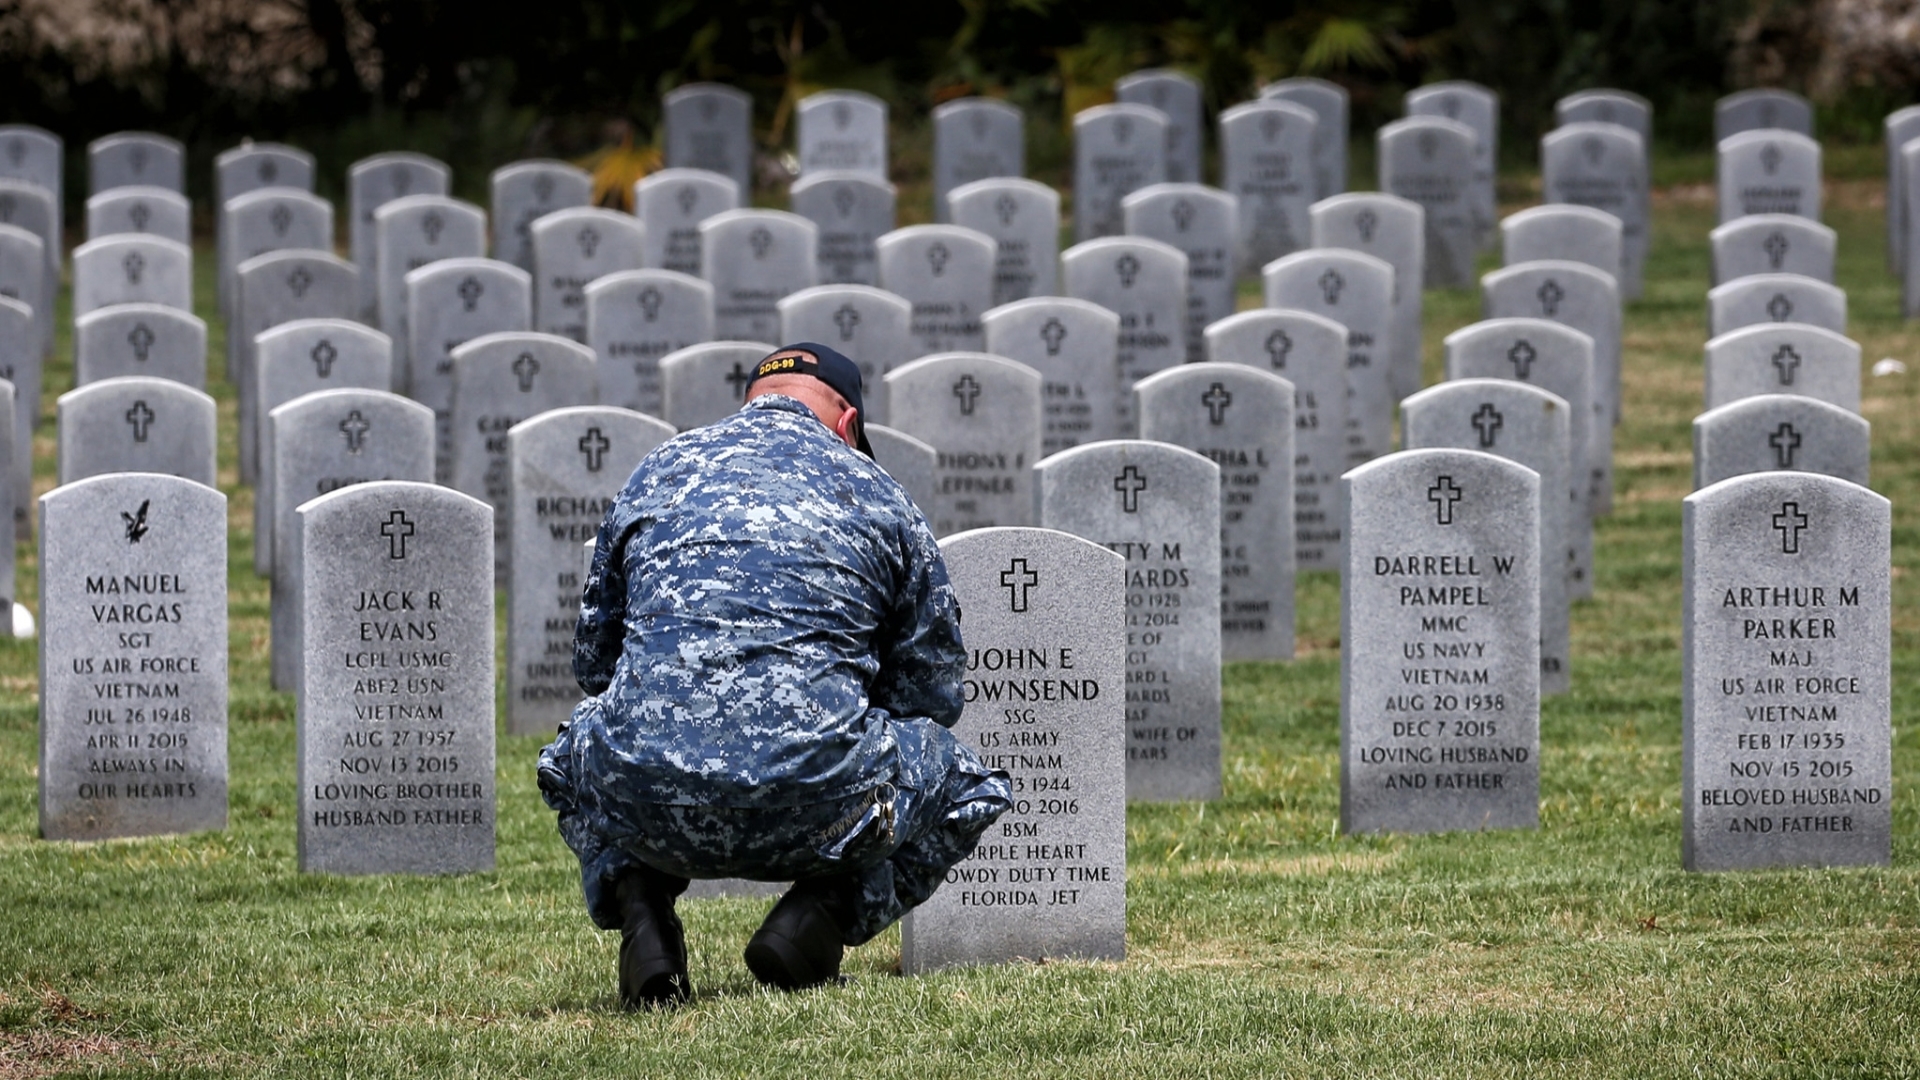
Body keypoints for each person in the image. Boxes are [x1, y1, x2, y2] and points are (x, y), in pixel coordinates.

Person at [538, 342, 1012, 1008]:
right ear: (847, 422)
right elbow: (931, 693)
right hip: (818, 807)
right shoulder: (881, 494)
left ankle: (642, 910)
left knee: (569, 754)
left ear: (752, 401)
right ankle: (817, 918)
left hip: (649, 802)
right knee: (967, 786)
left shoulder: (657, 471)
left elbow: (594, 663)